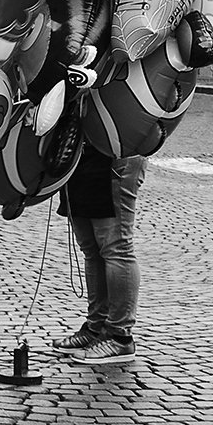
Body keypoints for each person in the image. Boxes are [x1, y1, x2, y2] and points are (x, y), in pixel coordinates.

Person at [52, 143, 148, 364]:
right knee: (92, 249)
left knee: (116, 247)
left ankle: (119, 336)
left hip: (117, 149)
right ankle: (97, 328)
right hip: (82, 152)